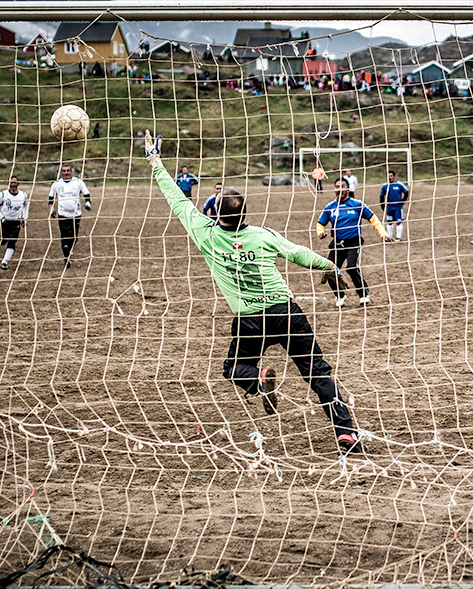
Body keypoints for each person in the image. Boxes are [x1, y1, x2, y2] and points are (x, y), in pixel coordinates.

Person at [143, 130, 366, 455]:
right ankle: (345, 433)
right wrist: (331, 268)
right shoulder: (263, 235)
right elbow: (299, 253)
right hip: (286, 312)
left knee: (233, 368)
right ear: (244, 214)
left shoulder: (205, 234)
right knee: (318, 373)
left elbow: (177, 199)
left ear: (215, 214)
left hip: (250, 319)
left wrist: (155, 162)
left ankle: (258, 379)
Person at [317, 178, 393, 307]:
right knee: (329, 270)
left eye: (342, 186)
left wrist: (383, 233)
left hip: (353, 242)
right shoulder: (330, 207)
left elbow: (373, 219)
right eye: (337, 187)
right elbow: (320, 223)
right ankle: (340, 295)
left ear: (348, 188)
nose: (339, 189)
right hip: (338, 243)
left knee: (352, 267)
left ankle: (363, 293)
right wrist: (320, 232)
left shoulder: (357, 204)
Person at [47, 163, 92, 266]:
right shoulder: (57, 184)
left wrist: (87, 203)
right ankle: (66, 257)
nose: (66, 173)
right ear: (61, 172)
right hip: (62, 214)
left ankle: (69, 252)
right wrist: (51, 209)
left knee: (74, 237)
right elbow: (51, 197)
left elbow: (87, 194)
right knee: (64, 236)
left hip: (76, 214)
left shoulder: (78, 182)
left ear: (71, 172)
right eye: (64, 171)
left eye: (68, 171)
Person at [0, 176, 30, 270]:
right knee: (2, 241)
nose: (13, 184)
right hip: (4, 221)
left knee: (12, 241)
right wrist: (1, 217)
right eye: (11, 183)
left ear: (18, 184)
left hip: (15, 221)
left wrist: (24, 218)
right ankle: (3, 243)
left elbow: (26, 205)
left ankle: (5, 261)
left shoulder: (23, 195)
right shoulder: (3, 195)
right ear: (8, 184)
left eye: (15, 183)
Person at [378, 170, 410, 241]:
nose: (390, 177)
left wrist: (402, 201)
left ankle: (398, 238)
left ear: (394, 177)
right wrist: (382, 205)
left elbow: (406, 192)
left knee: (398, 222)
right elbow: (382, 196)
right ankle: (390, 237)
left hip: (398, 207)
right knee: (389, 222)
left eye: (391, 176)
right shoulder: (385, 186)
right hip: (389, 207)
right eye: (388, 176)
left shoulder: (399, 184)